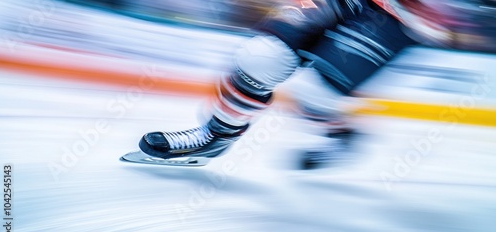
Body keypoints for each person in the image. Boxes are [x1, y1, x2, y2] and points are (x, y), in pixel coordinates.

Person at [135, 0, 494, 168]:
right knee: (262, 56)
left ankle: (338, 129)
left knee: (316, 93)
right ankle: (216, 135)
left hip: (405, 15)